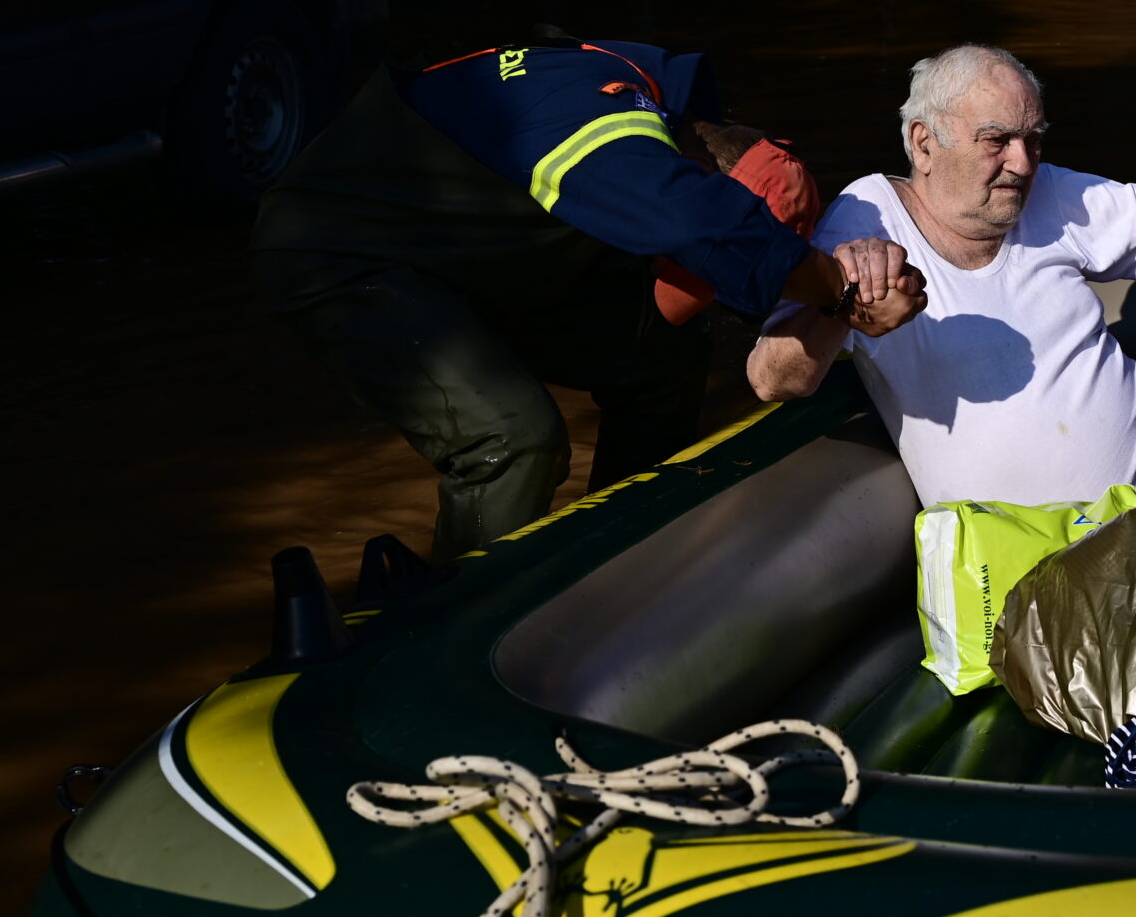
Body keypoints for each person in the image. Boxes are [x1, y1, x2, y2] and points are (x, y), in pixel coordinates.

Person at [254, 36, 925, 557]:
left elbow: (685, 236)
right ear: (691, 160)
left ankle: (618, 552)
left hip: (470, 249)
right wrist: (840, 292)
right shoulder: (607, 119)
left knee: (663, 356)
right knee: (514, 437)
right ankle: (453, 621)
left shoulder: (652, 108)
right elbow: (695, 220)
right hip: (342, 250)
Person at [748, 45, 1136, 507]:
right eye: (996, 140)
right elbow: (772, 378)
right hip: (1026, 558)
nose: (1023, 163)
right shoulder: (868, 216)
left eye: (1033, 139)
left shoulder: (1047, 192)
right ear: (924, 144)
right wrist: (845, 296)